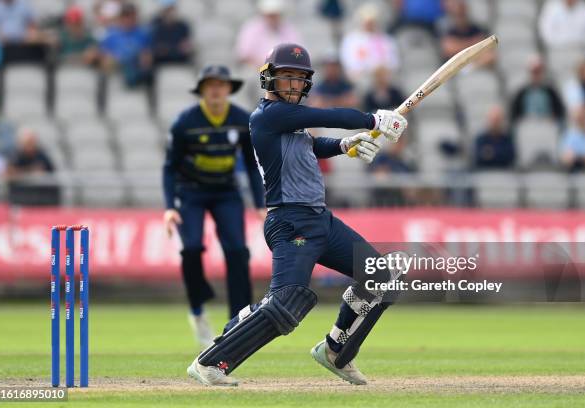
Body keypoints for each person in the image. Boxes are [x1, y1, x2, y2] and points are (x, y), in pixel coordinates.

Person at [187, 43, 407, 386]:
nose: (292, 84)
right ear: (270, 79)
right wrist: (372, 119)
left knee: (381, 276)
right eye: (286, 77)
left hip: (321, 220)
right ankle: (211, 361)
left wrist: (343, 145)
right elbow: (326, 116)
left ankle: (336, 350)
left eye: (299, 78)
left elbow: (310, 143)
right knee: (287, 302)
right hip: (290, 222)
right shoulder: (268, 116)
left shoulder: (290, 125)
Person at [163, 65, 266, 348]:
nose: (216, 90)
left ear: (229, 89)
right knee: (192, 248)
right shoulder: (185, 122)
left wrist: (260, 203)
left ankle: (239, 321)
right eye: (210, 85)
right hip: (191, 193)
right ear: (202, 89)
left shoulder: (241, 120)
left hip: (226, 192)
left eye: (221, 84)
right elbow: (170, 168)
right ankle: (197, 310)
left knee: (237, 251)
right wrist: (169, 206)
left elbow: (253, 165)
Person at [340, 3, 399, 81]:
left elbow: (394, 61)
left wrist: (382, 68)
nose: (370, 25)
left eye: (372, 22)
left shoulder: (386, 39)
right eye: (367, 22)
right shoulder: (351, 39)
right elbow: (348, 61)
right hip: (361, 77)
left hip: (382, 76)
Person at [235, 0, 301, 68]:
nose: (273, 19)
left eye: (275, 15)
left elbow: (299, 54)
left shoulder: (289, 29)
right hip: (257, 71)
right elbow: (243, 57)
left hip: (283, 71)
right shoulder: (251, 28)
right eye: (270, 15)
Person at [100, 2, 153, 87]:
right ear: (120, 17)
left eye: (131, 15)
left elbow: (147, 58)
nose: (128, 19)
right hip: (116, 75)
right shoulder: (111, 35)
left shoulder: (143, 34)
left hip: (138, 74)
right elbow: (105, 60)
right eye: (125, 16)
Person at [509, 55, 565, 126]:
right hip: (527, 128)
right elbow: (514, 116)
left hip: (547, 127)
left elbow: (560, 114)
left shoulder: (551, 92)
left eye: (539, 71)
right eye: (534, 72)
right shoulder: (521, 93)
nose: (536, 75)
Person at [440, 0, 494, 67]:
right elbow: (449, 49)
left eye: (462, 14)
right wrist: (472, 44)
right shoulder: (448, 30)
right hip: (457, 68)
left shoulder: (477, 28)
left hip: (477, 64)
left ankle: (471, 68)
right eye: (458, 15)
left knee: (488, 56)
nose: (460, 17)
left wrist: (460, 45)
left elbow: (487, 50)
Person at [150, 0, 192, 65]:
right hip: (161, 62)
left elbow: (185, 47)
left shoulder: (183, 26)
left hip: (180, 61)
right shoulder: (155, 26)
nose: (169, 12)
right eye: (167, 9)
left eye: (171, 9)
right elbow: (157, 49)